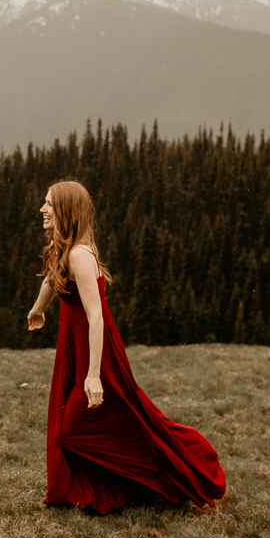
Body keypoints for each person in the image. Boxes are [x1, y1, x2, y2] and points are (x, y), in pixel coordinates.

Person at [27, 180, 225, 514]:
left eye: (48, 204)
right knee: (83, 424)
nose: (42, 209)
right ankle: (118, 482)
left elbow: (96, 317)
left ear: (65, 210)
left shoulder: (79, 255)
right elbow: (51, 277)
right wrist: (39, 309)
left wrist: (93, 375)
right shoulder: (66, 246)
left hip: (96, 350)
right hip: (75, 343)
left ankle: (168, 471)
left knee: (78, 431)